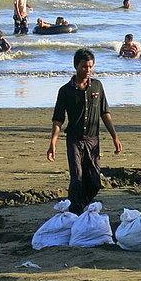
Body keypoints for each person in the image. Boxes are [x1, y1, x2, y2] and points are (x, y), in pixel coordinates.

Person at [47, 48, 123, 215]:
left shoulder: (97, 86)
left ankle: (79, 206)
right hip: (74, 140)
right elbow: (58, 119)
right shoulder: (65, 91)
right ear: (76, 66)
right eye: (84, 67)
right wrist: (53, 144)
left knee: (95, 181)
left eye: (90, 67)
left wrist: (115, 137)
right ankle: (75, 213)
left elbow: (105, 113)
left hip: (93, 140)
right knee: (77, 179)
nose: (88, 70)